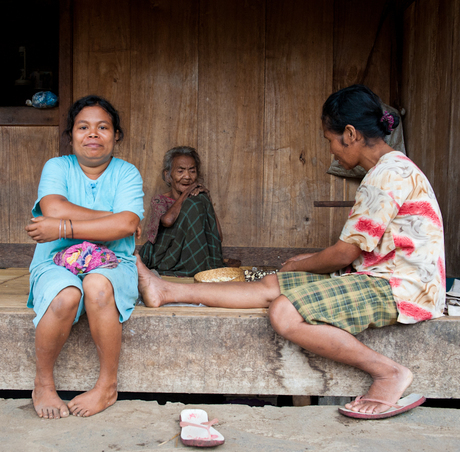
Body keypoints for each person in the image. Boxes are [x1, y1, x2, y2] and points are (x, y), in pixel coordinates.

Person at [136, 85, 445, 418]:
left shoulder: (387, 175)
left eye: (330, 140)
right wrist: (303, 265)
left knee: (283, 311)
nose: (332, 153)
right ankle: (164, 289)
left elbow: (343, 254)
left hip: (401, 288)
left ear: (351, 134)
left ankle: (389, 372)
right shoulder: (388, 169)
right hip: (378, 276)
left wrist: (304, 263)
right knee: (272, 284)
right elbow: (353, 250)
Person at [25, 95, 144, 419]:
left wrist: (62, 227)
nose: (93, 134)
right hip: (54, 260)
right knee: (65, 296)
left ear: (116, 135)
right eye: (83, 127)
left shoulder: (127, 173)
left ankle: (107, 386)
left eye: (103, 127)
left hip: (112, 262)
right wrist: (109, 220)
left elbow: (127, 224)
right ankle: (43, 383)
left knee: (97, 286)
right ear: (71, 134)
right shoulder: (57, 166)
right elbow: (53, 208)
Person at [139, 146, 225, 276]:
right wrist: (187, 193)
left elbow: (217, 237)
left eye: (192, 171)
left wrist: (207, 200)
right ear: (168, 176)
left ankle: (195, 269)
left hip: (194, 256)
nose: (187, 176)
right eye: (180, 171)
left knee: (196, 203)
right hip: (164, 256)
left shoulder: (199, 201)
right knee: (191, 205)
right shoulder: (159, 200)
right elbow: (167, 221)